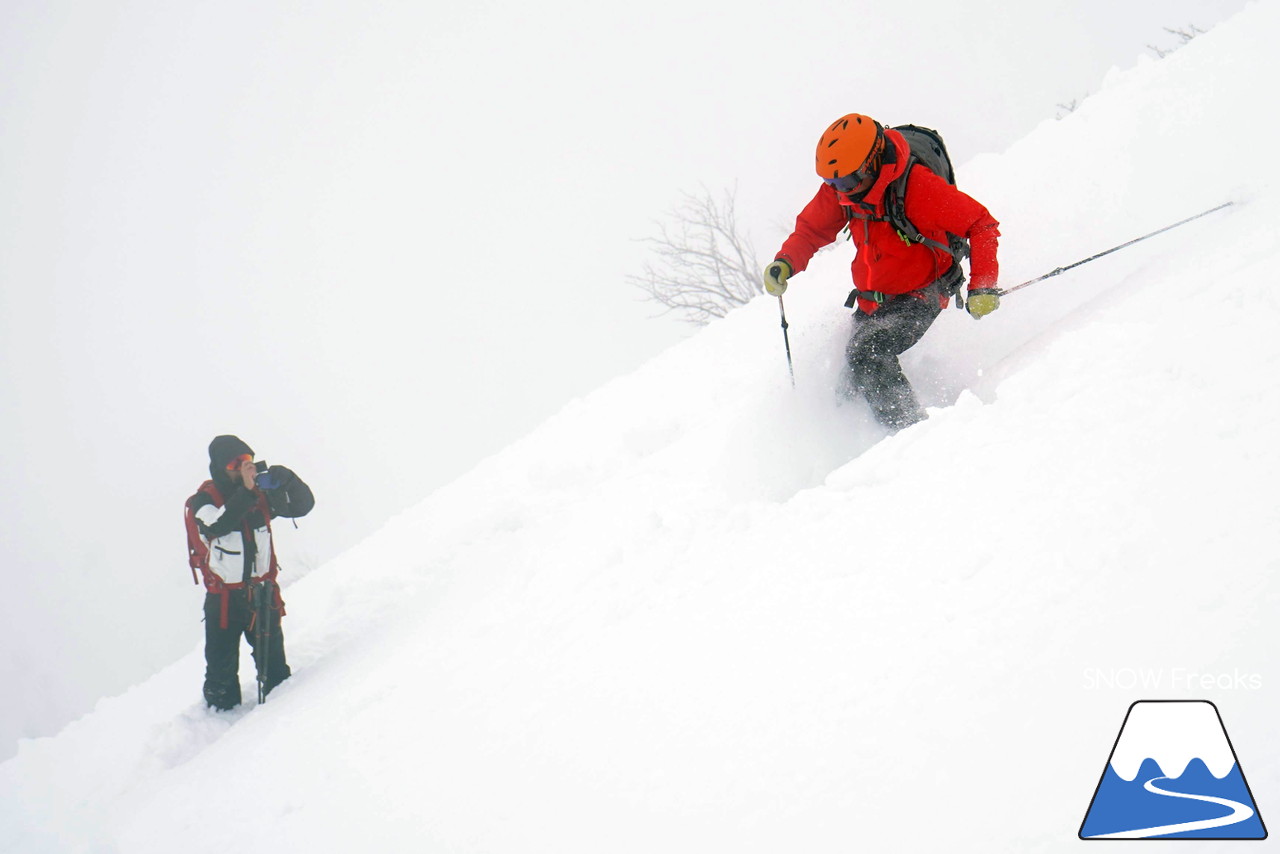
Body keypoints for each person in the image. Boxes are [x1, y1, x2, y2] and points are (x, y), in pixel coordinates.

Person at [764, 113, 1001, 430]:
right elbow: (810, 231)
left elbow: (980, 224)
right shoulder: (848, 189)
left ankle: (910, 436)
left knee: (867, 356)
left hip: (921, 294)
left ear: (871, 163)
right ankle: (855, 449)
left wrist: (982, 286)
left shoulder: (917, 187)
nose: (838, 190)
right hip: (872, 301)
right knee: (848, 386)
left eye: (844, 181)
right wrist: (786, 261)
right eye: (831, 182)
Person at [185, 435, 314, 710]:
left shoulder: (259, 495)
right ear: (221, 467)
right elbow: (218, 525)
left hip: (263, 594)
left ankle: (280, 716)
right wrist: (246, 490)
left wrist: (289, 481)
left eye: (248, 460)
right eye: (236, 463)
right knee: (221, 673)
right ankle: (220, 723)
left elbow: (301, 508)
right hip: (224, 599)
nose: (245, 467)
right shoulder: (203, 500)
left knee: (276, 671)